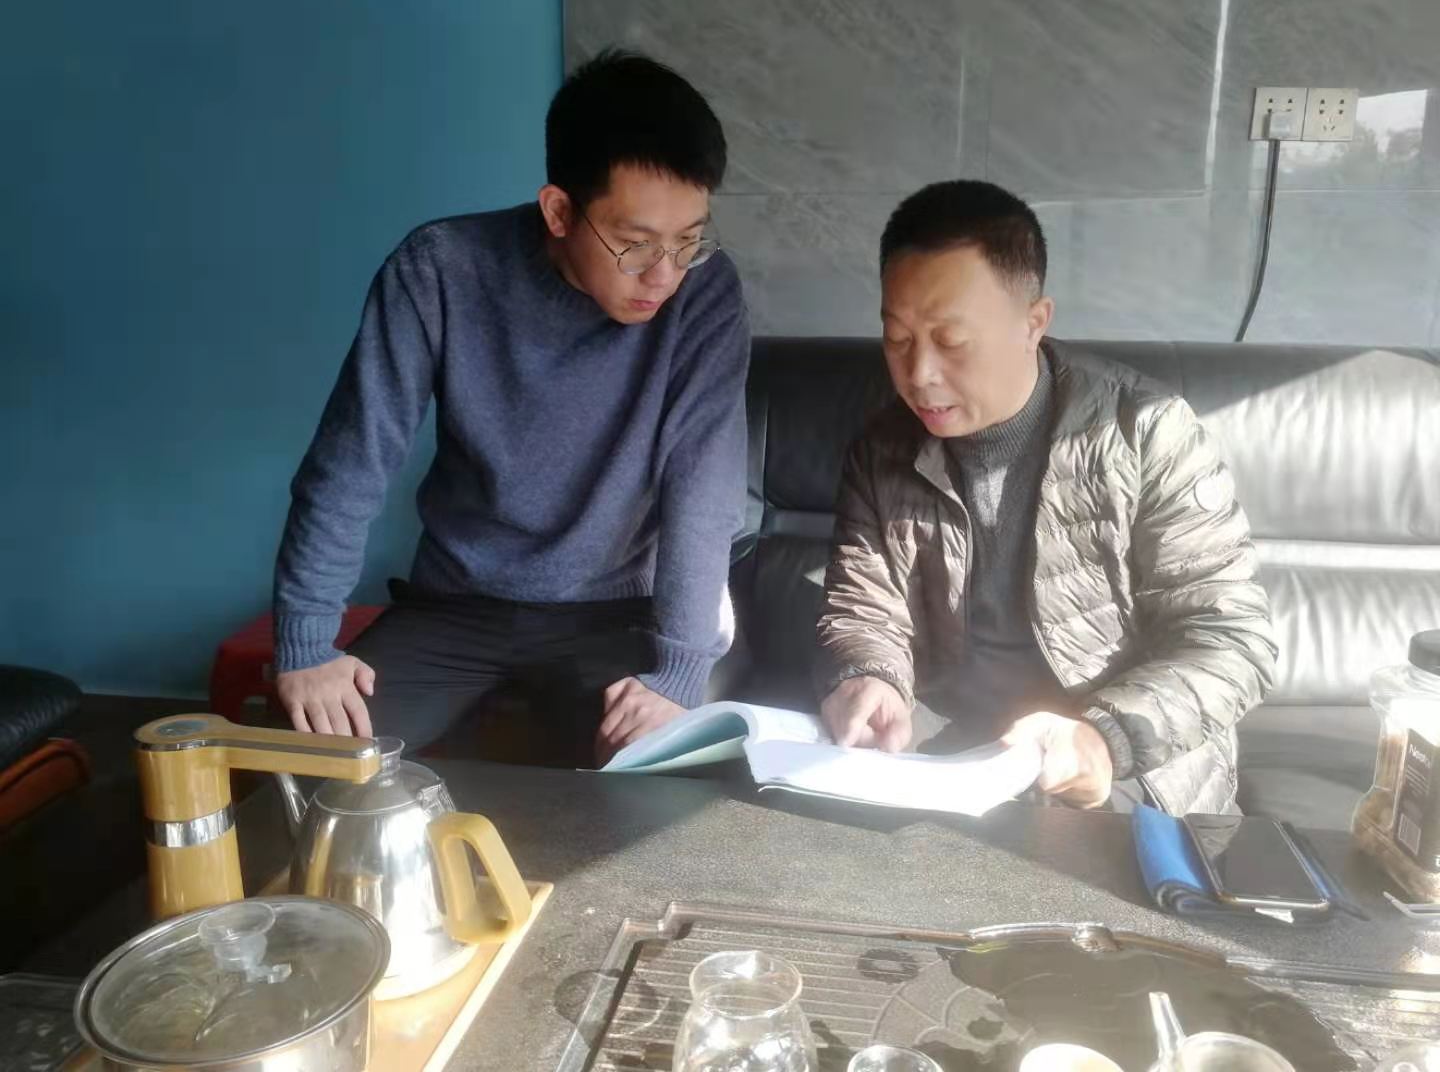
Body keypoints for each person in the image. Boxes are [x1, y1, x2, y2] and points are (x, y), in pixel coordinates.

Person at [271, 51, 748, 767]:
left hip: (618, 614)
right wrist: (306, 641)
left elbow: (704, 488)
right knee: (315, 769)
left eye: (688, 241)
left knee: (652, 788)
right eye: (634, 244)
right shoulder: (440, 270)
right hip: (456, 606)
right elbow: (353, 459)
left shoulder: (705, 294)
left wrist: (680, 669)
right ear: (559, 210)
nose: (664, 275)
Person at [815, 180, 1277, 814]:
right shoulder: (882, 448)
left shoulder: (1144, 432)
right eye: (897, 339)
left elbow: (1231, 639)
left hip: (1119, 760)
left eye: (951, 342)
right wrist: (870, 675)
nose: (918, 374)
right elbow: (866, 608)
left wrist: (1105, 740)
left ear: (1033, 323)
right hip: (950, 750)